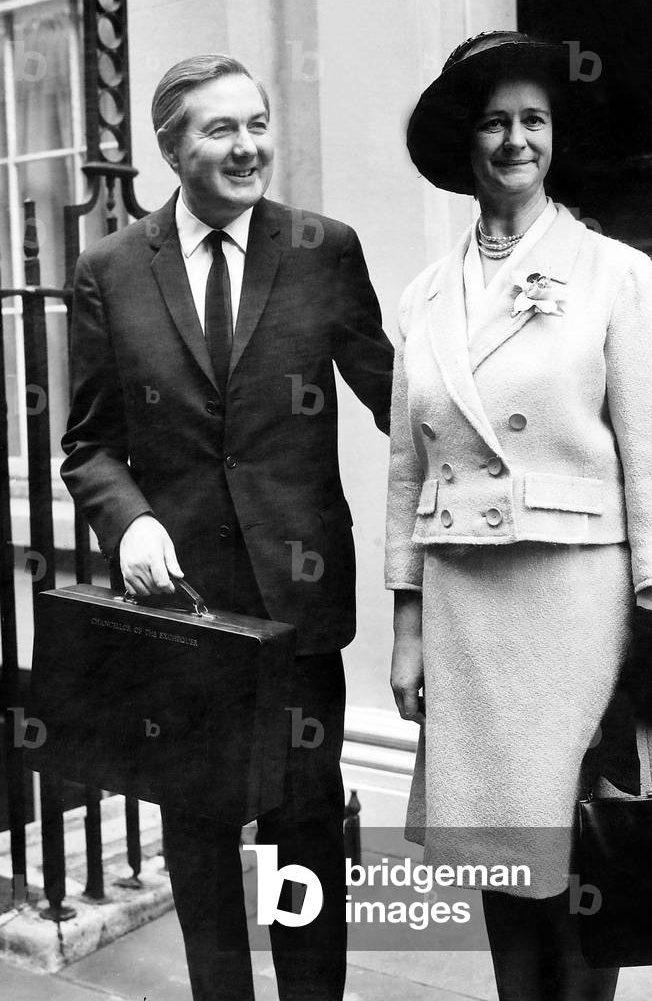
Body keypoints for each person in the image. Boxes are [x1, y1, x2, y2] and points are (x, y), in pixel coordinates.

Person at [61, 54, 393, 1001]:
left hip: (298, 607)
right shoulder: (112, 270)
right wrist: (127, 525)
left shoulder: (325, 248)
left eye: (257, 123)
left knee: (304, 836)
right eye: (221, 129)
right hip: (185, 614)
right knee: (200, 838)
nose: (249, 146)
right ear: (171, 147)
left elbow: (397, 400)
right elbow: (88, 443)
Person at [385, 31, 652, 1001]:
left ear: (554, 137)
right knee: (502, 869)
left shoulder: (614, 274)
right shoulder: (424, 296)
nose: (514, 141)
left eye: (532, 121)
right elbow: (405, 471)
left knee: (584, 866)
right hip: (464, 612)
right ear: (464, 143)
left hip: (575, 609)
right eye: (493, 122)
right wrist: (405, 629)